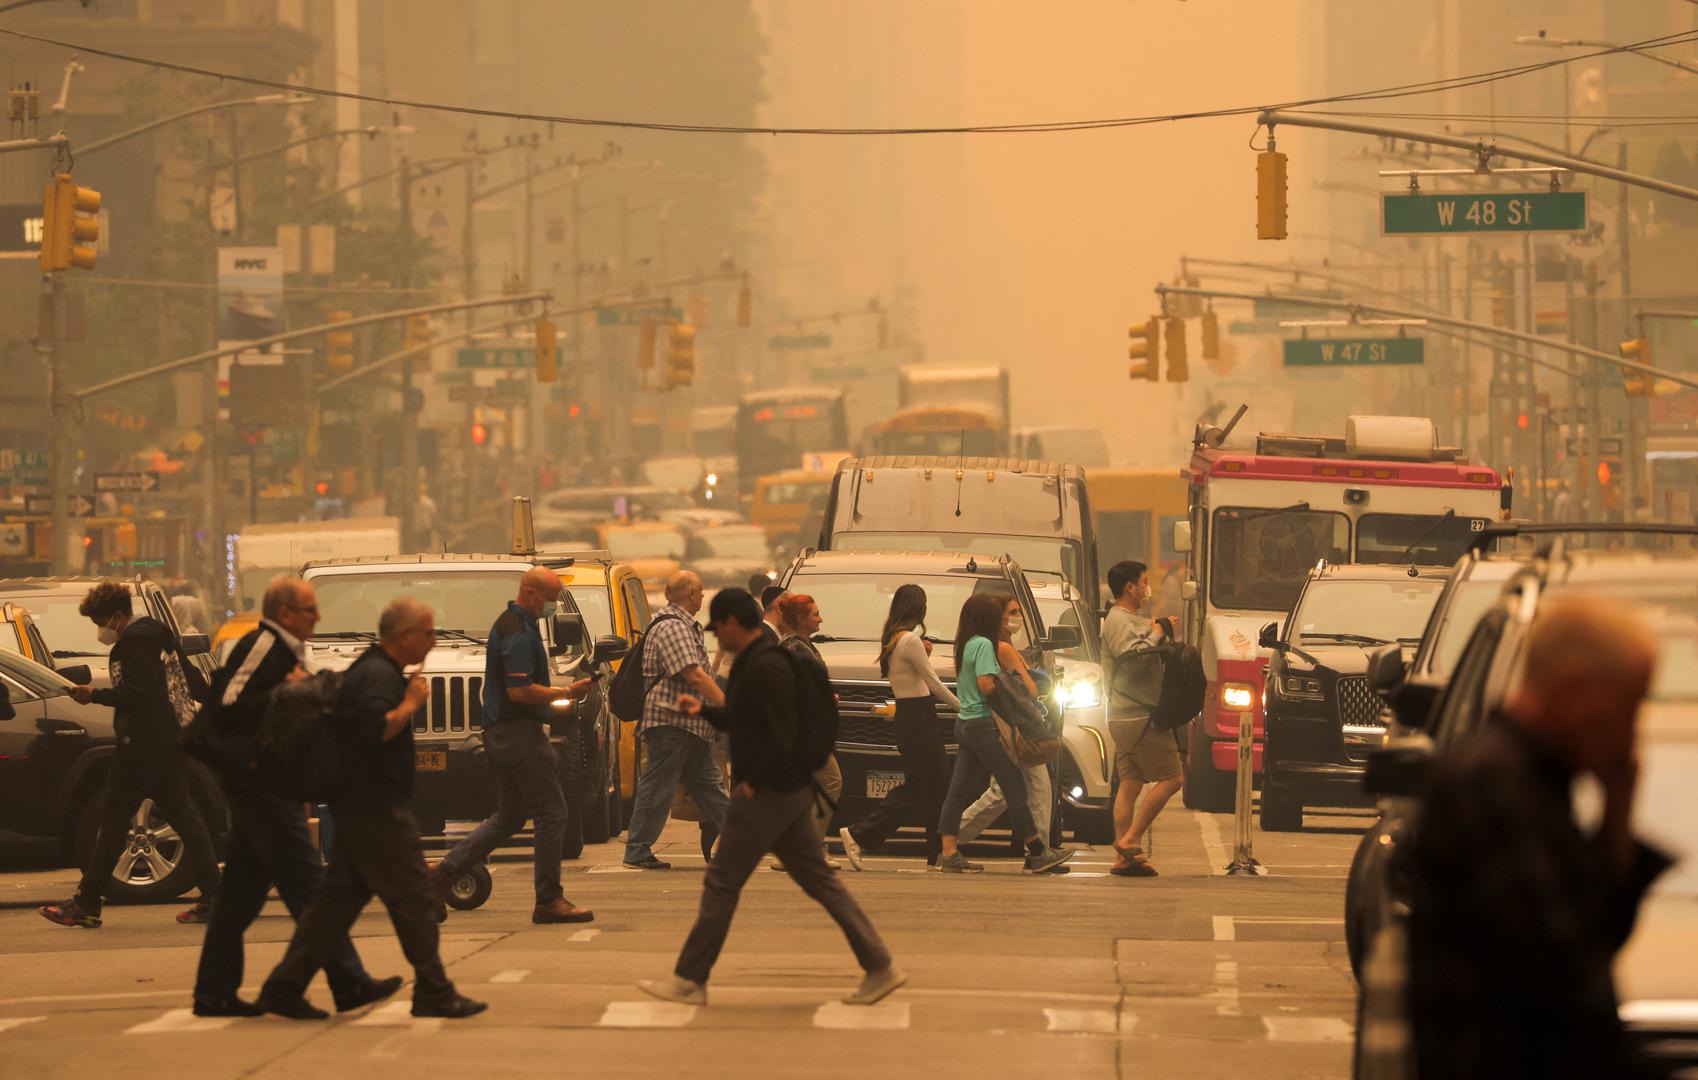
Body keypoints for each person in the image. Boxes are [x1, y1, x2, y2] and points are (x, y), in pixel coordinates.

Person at [1404, 598, 1670, 1078]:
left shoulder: (1531, 782)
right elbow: (1564, 970)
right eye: (1625, 708)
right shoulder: (1496, 787)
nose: (1629, 735)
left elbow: (1591, 933)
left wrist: (1617, 809)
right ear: (1571, 690)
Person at [637, 589, 903, 1007]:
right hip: (787, 791)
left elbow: (783, 733)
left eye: (717, 627)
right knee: (820, 882)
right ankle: (880, 965)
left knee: (722, 884)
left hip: (769, 792)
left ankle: (689, 979)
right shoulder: (759, 661)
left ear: (730, 624)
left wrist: (754, 783)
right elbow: (746, 720)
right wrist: (701, 711)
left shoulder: (764, 666)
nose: (715, 637)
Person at [257, 598, 486, 1020]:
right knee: (415, 900)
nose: (434, 640)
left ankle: (283, 987)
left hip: (362, 807)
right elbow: (373, 730)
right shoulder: (379, 676)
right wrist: (412, 704)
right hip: (375, 809)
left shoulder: (375, 669)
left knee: (333, 906)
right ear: (404, 636)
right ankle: (433, 989)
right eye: (428, 632)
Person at [191, 577, 400, 1018]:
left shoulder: (286, 650)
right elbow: (226, 704)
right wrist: (289, 692)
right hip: (258, 783)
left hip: (271, 780)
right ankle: (349, 982)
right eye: (309, 608)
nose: (317, 615)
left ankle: (214, 992)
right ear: (284, 613)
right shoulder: (263, 645)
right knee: (310, 885)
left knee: (239, 896)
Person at [40, 582, 222, 929]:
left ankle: (87, 903)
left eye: (101, 622)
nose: (100, 630)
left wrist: (94, 696)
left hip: (143, 744)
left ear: (119, 616)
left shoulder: (134, 641)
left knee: (120, 821)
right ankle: (213, 895)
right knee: (174, 816)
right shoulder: (160, 636)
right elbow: (193, 679)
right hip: (166, 739)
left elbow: (141, 693)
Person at [430, 567, 595, 924]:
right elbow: (519, 691)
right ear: (530, 593)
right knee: (553, 814)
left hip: (504, 733)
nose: (553, 605)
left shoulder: (520, 624)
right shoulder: (517, 631)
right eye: (551, 598)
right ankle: (549, 899)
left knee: (510, 816)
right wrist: (566, 691)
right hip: (519, 734)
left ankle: (442, 874)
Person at [934, 594, 1073, 875]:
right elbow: (986, 685)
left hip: (965, 722)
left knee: (958, 791)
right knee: (1014, 787)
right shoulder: (985, 644)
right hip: (983, 724)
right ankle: (1036, 850)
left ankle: (949, 852)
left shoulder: (966, 644)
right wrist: (1010, 684)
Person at [838, 584, 956, 869]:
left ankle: (936, 854)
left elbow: (912, 676)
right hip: (919, 716)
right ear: (918, 608)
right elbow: (933, 682)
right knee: (918, 785)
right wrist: (964, 708)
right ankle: (858, 833)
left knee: (938, 783)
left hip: (911, 714)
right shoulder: (910, 641)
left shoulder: (894, 639)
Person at [622, 571, 730, 870]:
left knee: (710, 786)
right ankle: (637, 850)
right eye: (702, 591)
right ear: (692, 593)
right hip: (673, 723)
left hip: (688, 725)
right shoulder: (674, 628)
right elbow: (694, 675)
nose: (704, 597)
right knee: (657, 787)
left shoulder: (682, 626)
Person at [1101, 560, 1178, 877]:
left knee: (1131, 784)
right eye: (1145, 581)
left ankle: (1124, 855)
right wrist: (1157, 633)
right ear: (1130, 587)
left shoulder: (1130, 618)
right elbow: (1130, 658)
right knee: (1174, 777)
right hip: (1137, 714)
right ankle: (1132, 839)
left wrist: (1158, 630)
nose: (1148, 587)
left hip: (1129, 713)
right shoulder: (1118, 620)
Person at [773, 592, 843, 869]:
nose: (820, 618)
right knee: (831, 782)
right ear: (801, 619)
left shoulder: (796, 646)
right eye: (815, 614)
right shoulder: (797, 649)